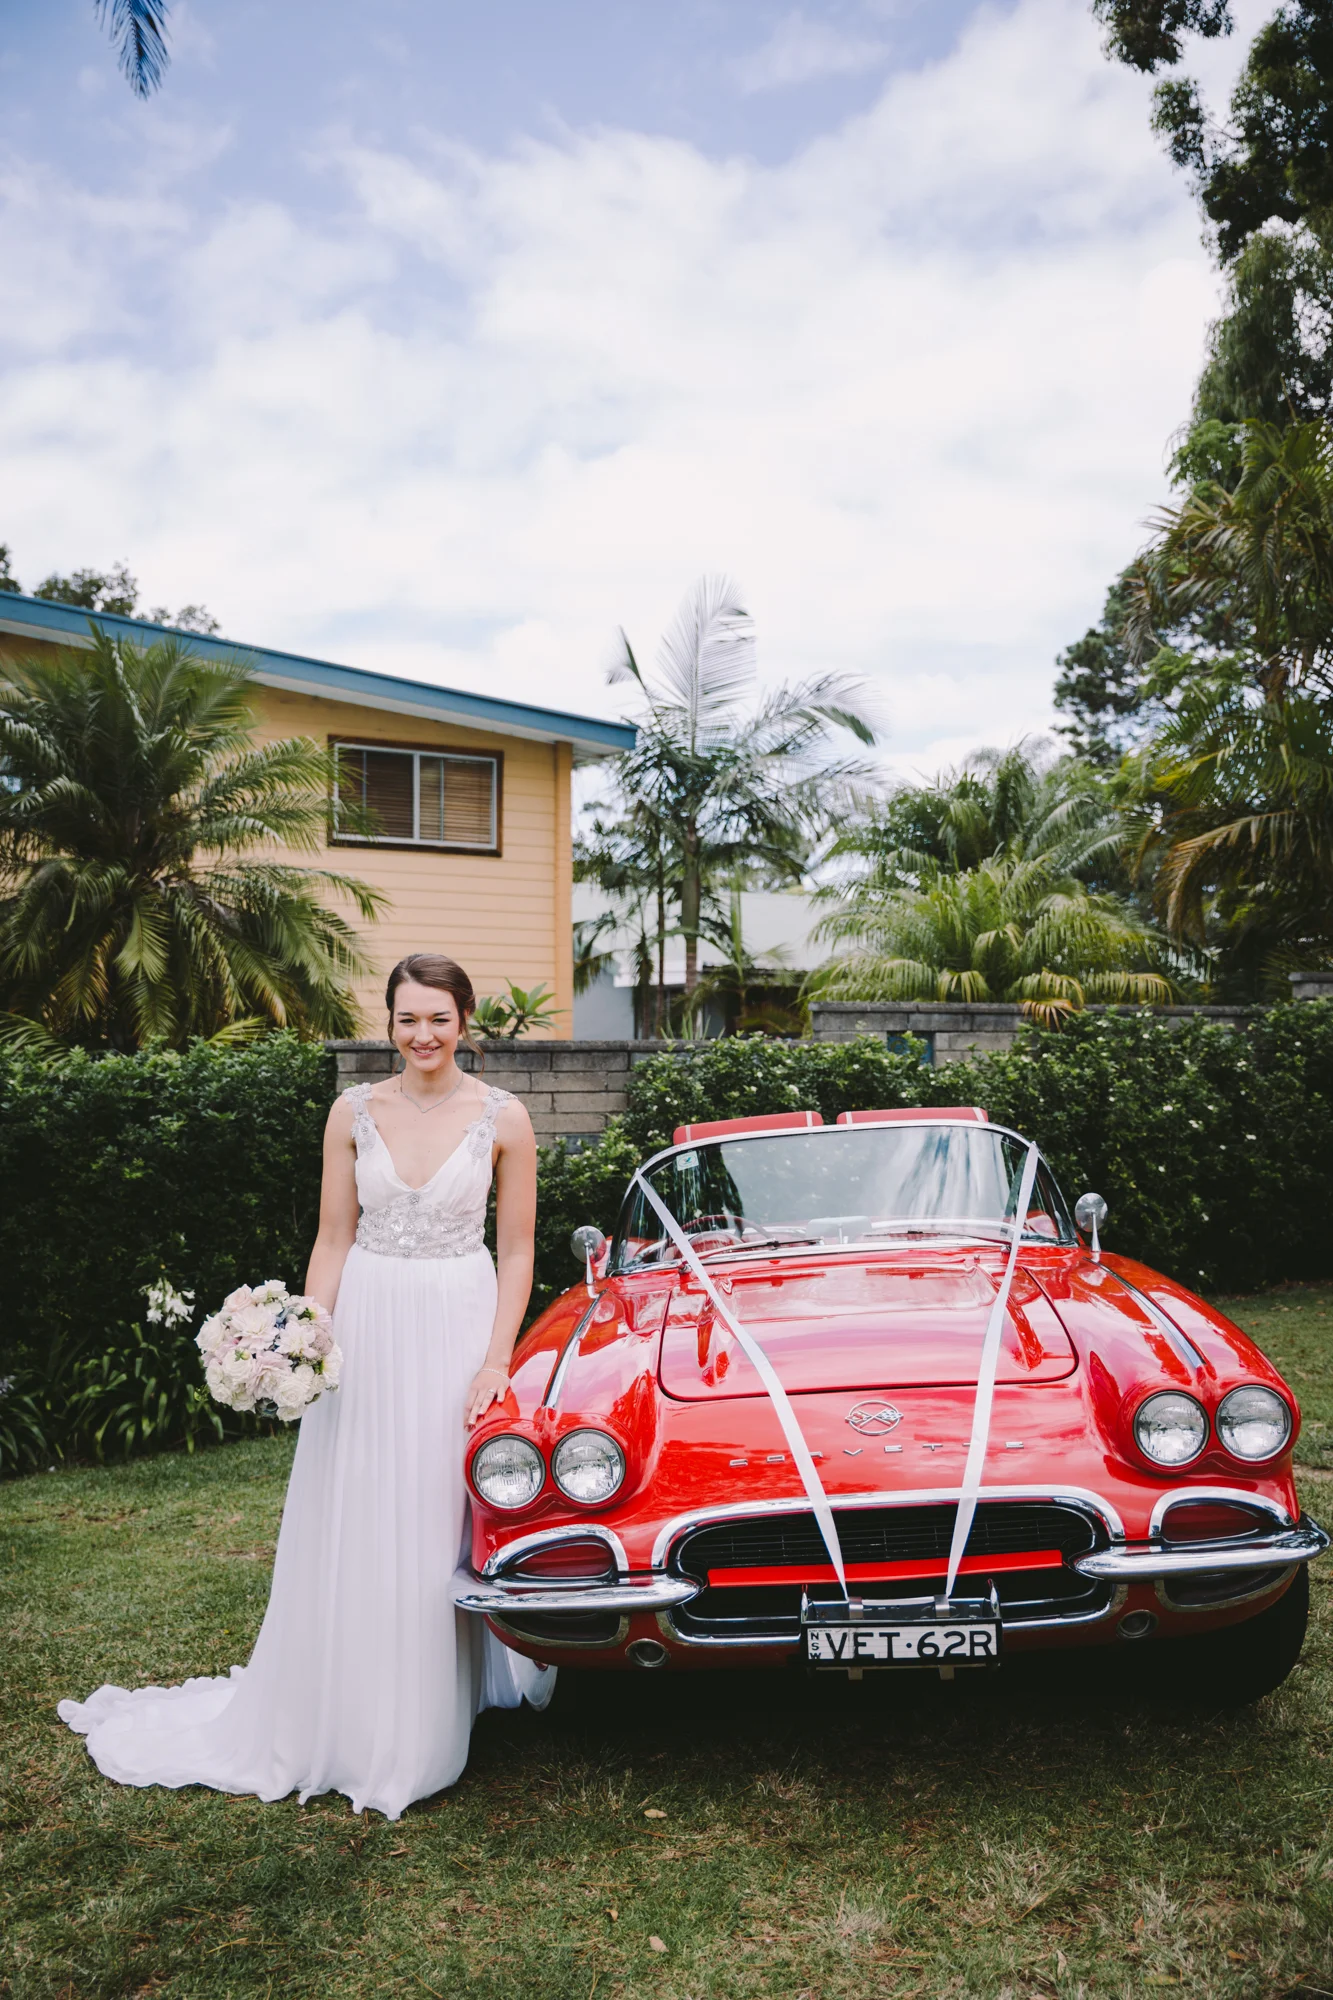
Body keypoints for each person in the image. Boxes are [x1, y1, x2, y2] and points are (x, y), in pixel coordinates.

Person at [59, 953, 554, 1818]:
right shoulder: (352, 1112)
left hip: (456, 1321)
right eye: (407, 1019)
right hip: (368, 1320)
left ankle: (434, 1709)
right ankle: (349, 1711)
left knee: (434, 1508)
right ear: (388, 1022)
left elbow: (516, 1251)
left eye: (438, 1018)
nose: (422, 1035)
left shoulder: (503, 1118)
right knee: (360, 1503)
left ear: (464, 1021)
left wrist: (494, 1361)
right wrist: (305, 1338)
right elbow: (333, 1237)